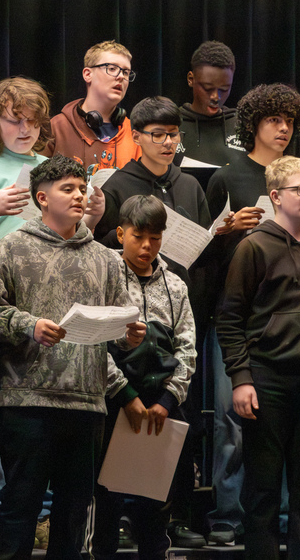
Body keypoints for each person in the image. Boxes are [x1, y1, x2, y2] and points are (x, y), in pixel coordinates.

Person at [0, 154, 146, 560]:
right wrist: (29, 325)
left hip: (88, 401)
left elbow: (116, 323)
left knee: (74, 516)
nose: (79, 195)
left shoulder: (105, 258)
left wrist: (129, 335)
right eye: (67, 189)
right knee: (20, 509)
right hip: (27, 400)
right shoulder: (12, 247)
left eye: (82, 187)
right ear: (42, 198)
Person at [202, 84, 300, 546]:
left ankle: (286, 516)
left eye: (289, 121)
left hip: (291, 321)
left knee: (289, 426)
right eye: (274, 120)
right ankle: (229, 514)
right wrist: (228, 230)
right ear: (252, 125)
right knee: (233, 417)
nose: (284, 128)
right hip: (237, 315)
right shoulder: (228, 177)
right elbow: (202, 250)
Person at [217, 156, 300, 560]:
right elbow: (230, 318)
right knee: (263, 489)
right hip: (267, 379)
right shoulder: (253, 246)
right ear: (276, 196)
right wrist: (241, 378)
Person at [0, 77, 54, 551]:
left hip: (47, 298)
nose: (24, 129)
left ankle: (42, 512)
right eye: (14, 119)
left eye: (33, 121)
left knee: (45, 411)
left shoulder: (50, 167)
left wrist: (92, 211)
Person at [91, 195, 196, 560]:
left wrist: (168, 401)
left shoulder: (177, 286)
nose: (147, 246)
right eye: (138, 236)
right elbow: (96, 348)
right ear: (121, 234)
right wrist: (126, 395)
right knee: (106, 503)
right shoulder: (104, 276)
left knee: (157, 508)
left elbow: (187, 349)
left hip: (161, 409)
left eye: (155, 237)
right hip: (116, 404)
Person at [94, 96, 209, 248]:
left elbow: (207, 249)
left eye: (174, 134)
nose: (168, 142)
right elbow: (99, 247)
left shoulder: (190, 185)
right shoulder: (115, 187)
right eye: (158, 135)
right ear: (136, 137)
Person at [46, 40, 140, 174]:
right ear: (87, 74)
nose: (120, 77)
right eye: (112, 69)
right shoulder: (57, 127)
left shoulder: (134, 134)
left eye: (125, 72)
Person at [177, 41, 242, 166]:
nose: (215, 97)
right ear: (191, 79)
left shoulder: (242, 126)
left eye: (224, 89)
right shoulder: (173, 124)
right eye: (207, 88)